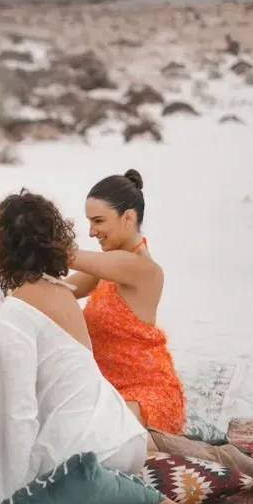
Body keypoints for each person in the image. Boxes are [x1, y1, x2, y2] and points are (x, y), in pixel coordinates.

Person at [0, 191, 253, 504]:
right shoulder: (46, 285)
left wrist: (10, 497)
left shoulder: (21, 310)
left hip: (97, 441)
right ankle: (224, 462)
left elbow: (19, 413)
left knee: (81, 443)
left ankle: (156, 496)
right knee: (133, 437)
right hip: (113, 421)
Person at [65, 169, 186, 435]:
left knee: (93, 436)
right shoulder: (108, 266)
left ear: (128, 218)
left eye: (98, 221)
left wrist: (18, 239)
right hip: (107, 390)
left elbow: (66, 255)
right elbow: (63, 291)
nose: (91, 231)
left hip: (148, 395)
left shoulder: (141, 267)